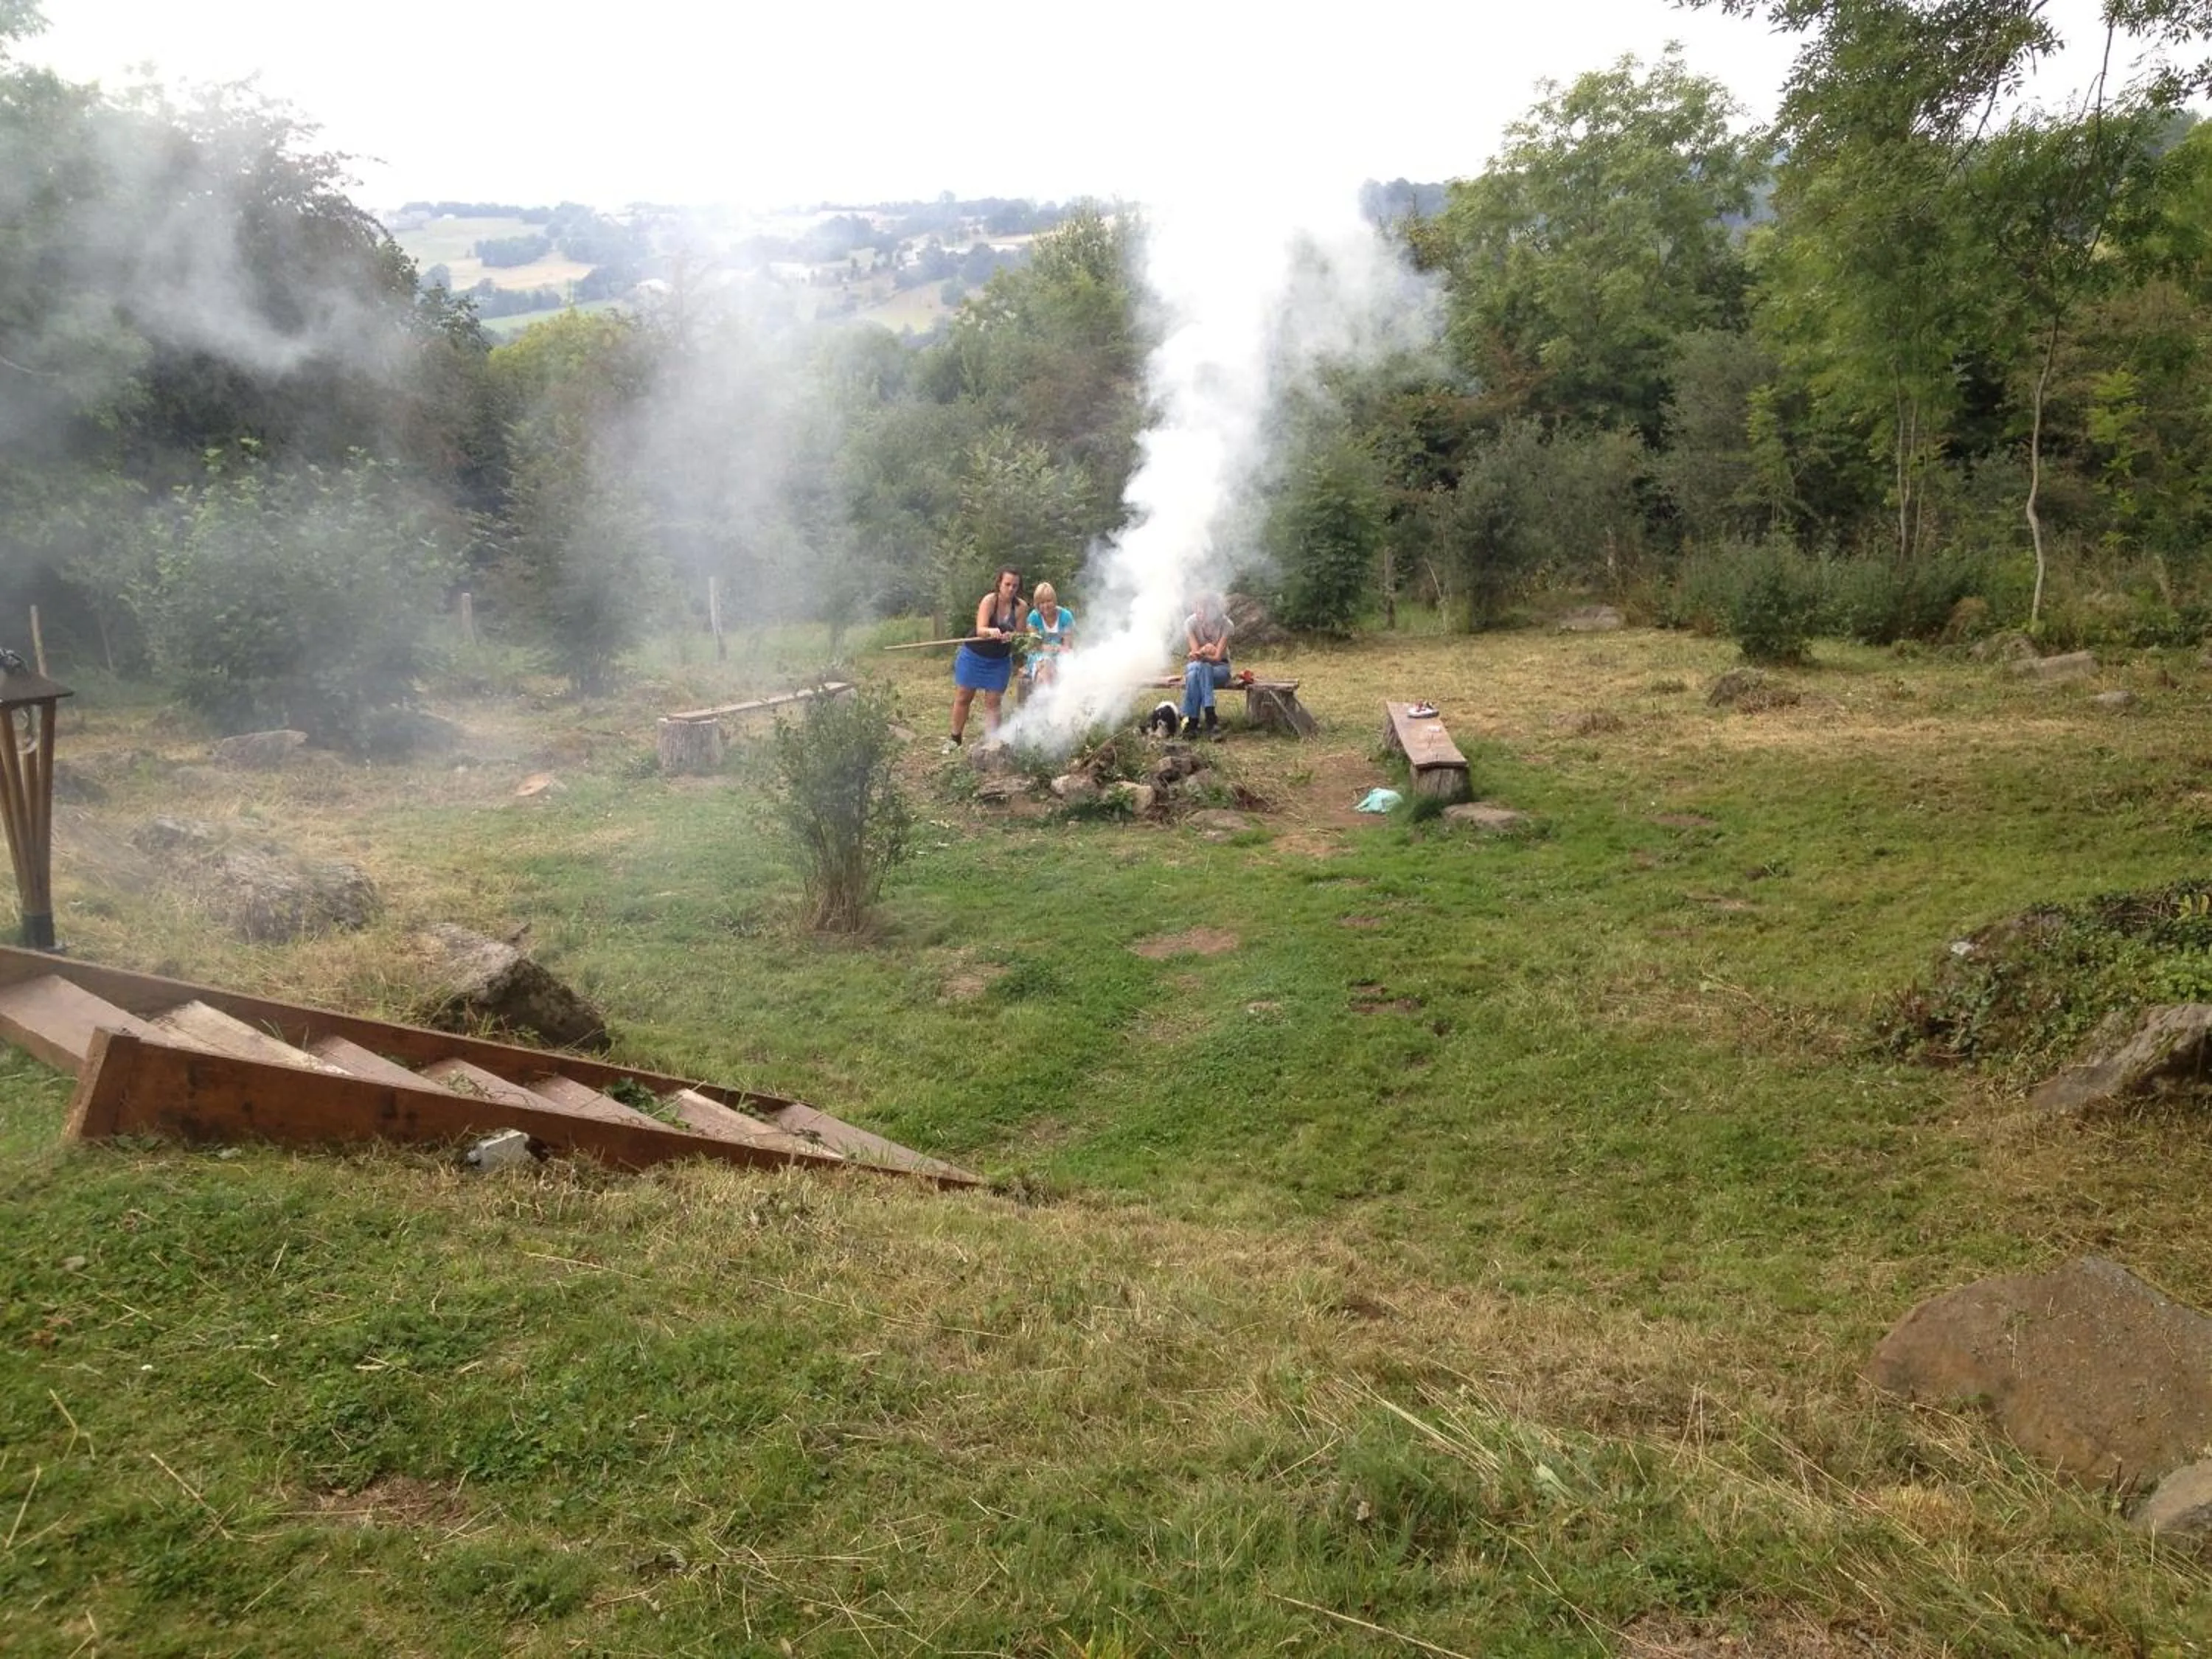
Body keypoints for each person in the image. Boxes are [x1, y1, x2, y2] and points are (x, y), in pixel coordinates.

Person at [947, 567, 1023, 748]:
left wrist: (1012, 636)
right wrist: (991, 631)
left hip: (999, 660)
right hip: (974, 655)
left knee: (993, 702)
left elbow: (1020, 634)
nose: (1011, 589)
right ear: (999, 583)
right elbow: (980, 629)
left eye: (1015, 586)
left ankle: (992, 743)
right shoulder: (990, 601)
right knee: (964, 696)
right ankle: (955, 739)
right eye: (1007, 584)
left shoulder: (1021, 607)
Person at [1180, 592, 1233, 740]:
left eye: (1202, 609)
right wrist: (1201, 652)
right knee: (1197, 670)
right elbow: (1196, 654)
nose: (1198, 612)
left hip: (1220, 668)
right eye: (1196, 608)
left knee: (1201, 671)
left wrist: (1202, 655)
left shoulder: (1226, 625)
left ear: (1213, 610)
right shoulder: (1190, 623)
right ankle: (1211, 720)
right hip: (1196, 666)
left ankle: (1192, 722)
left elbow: (1217, 657)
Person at [1024, 582, 1075, 692]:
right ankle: (1045, 701)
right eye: (1041, 602)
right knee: (1045, 668)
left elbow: (1067, 646)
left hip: (1061, 655)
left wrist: (1056, 649)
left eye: (1049, 601)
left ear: (1054, 601)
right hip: (1038, 655)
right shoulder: (1034, 618)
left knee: (1063, 670)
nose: (1046, 606)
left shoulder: (1066, 616)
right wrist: (1048, 649)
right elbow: (1034, 645)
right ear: (1037, 604)